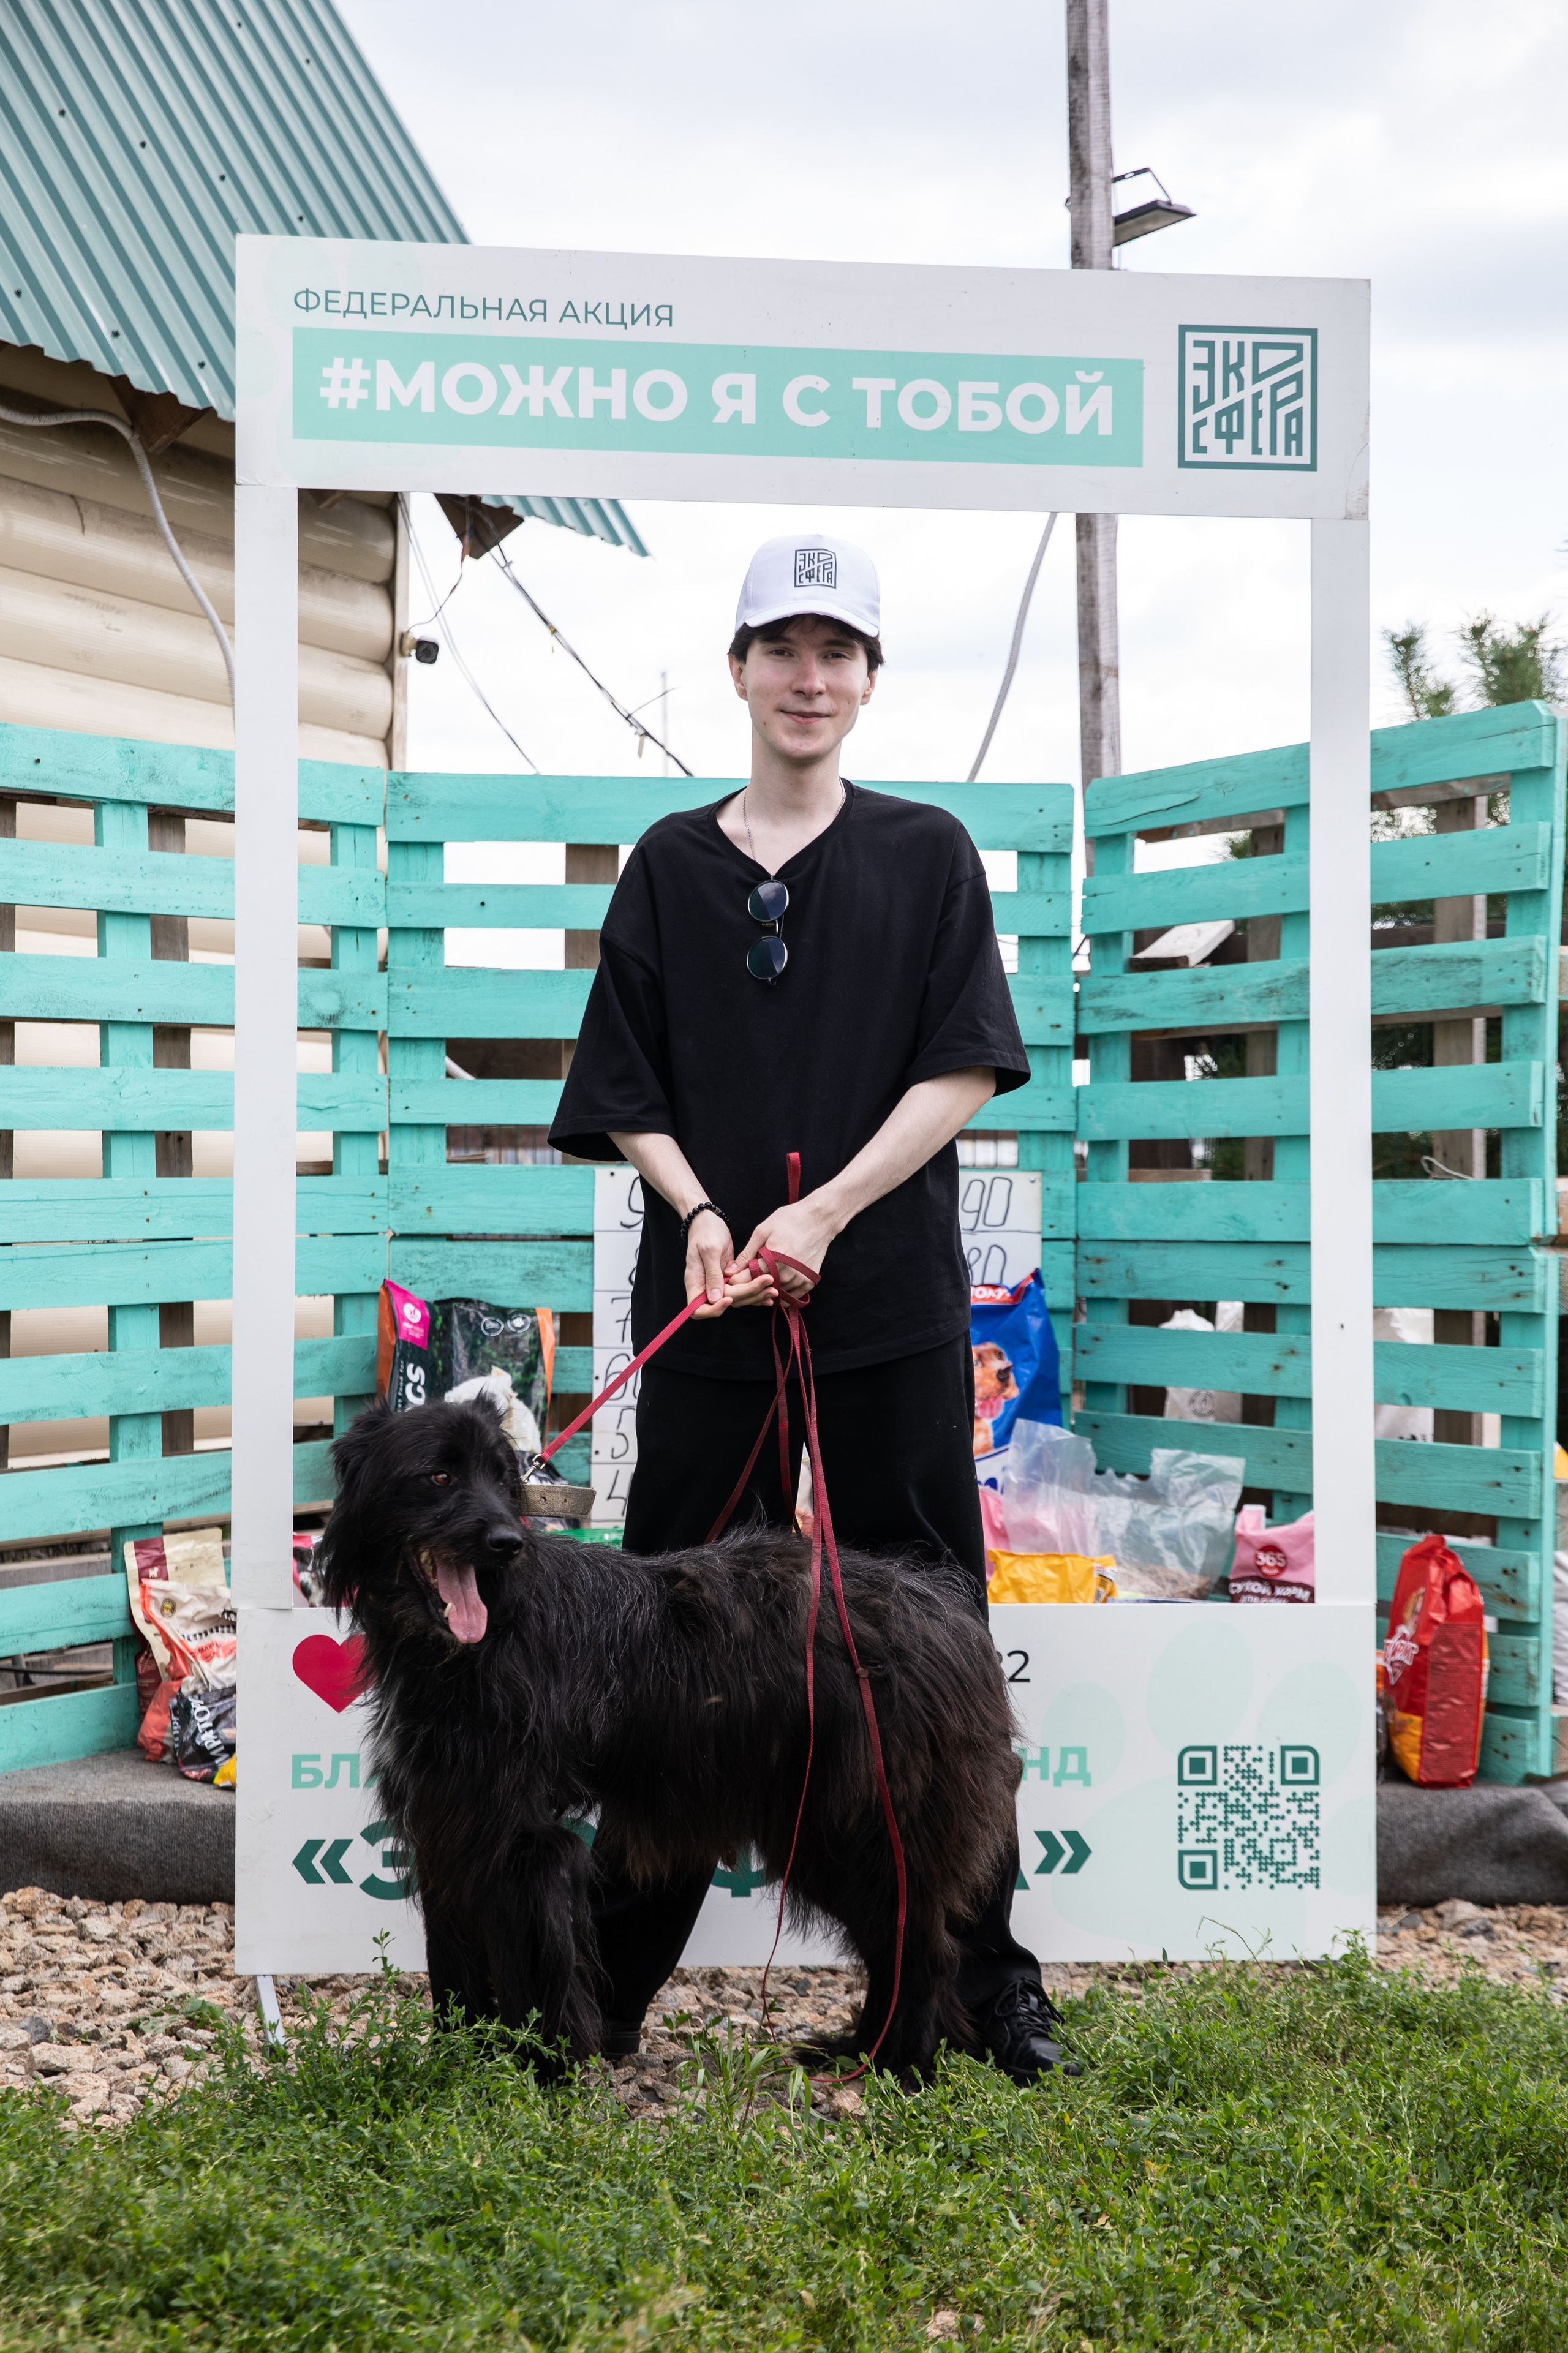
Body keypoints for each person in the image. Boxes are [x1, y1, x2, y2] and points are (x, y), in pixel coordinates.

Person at [549, 530, 1073, 2081]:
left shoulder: (926, 856)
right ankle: (595, 1998)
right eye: (780, 647)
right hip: (711, 1308)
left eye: (835, 652)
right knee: (662, 1643)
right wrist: (705, 1213)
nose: (807, 677)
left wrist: (828, 1209)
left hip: (883, 1308)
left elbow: (964, 1063)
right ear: (738, 667)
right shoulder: (666, 861)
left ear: (866, 681)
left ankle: (978, 1987)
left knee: (931, 1658)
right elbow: (623, 1088)